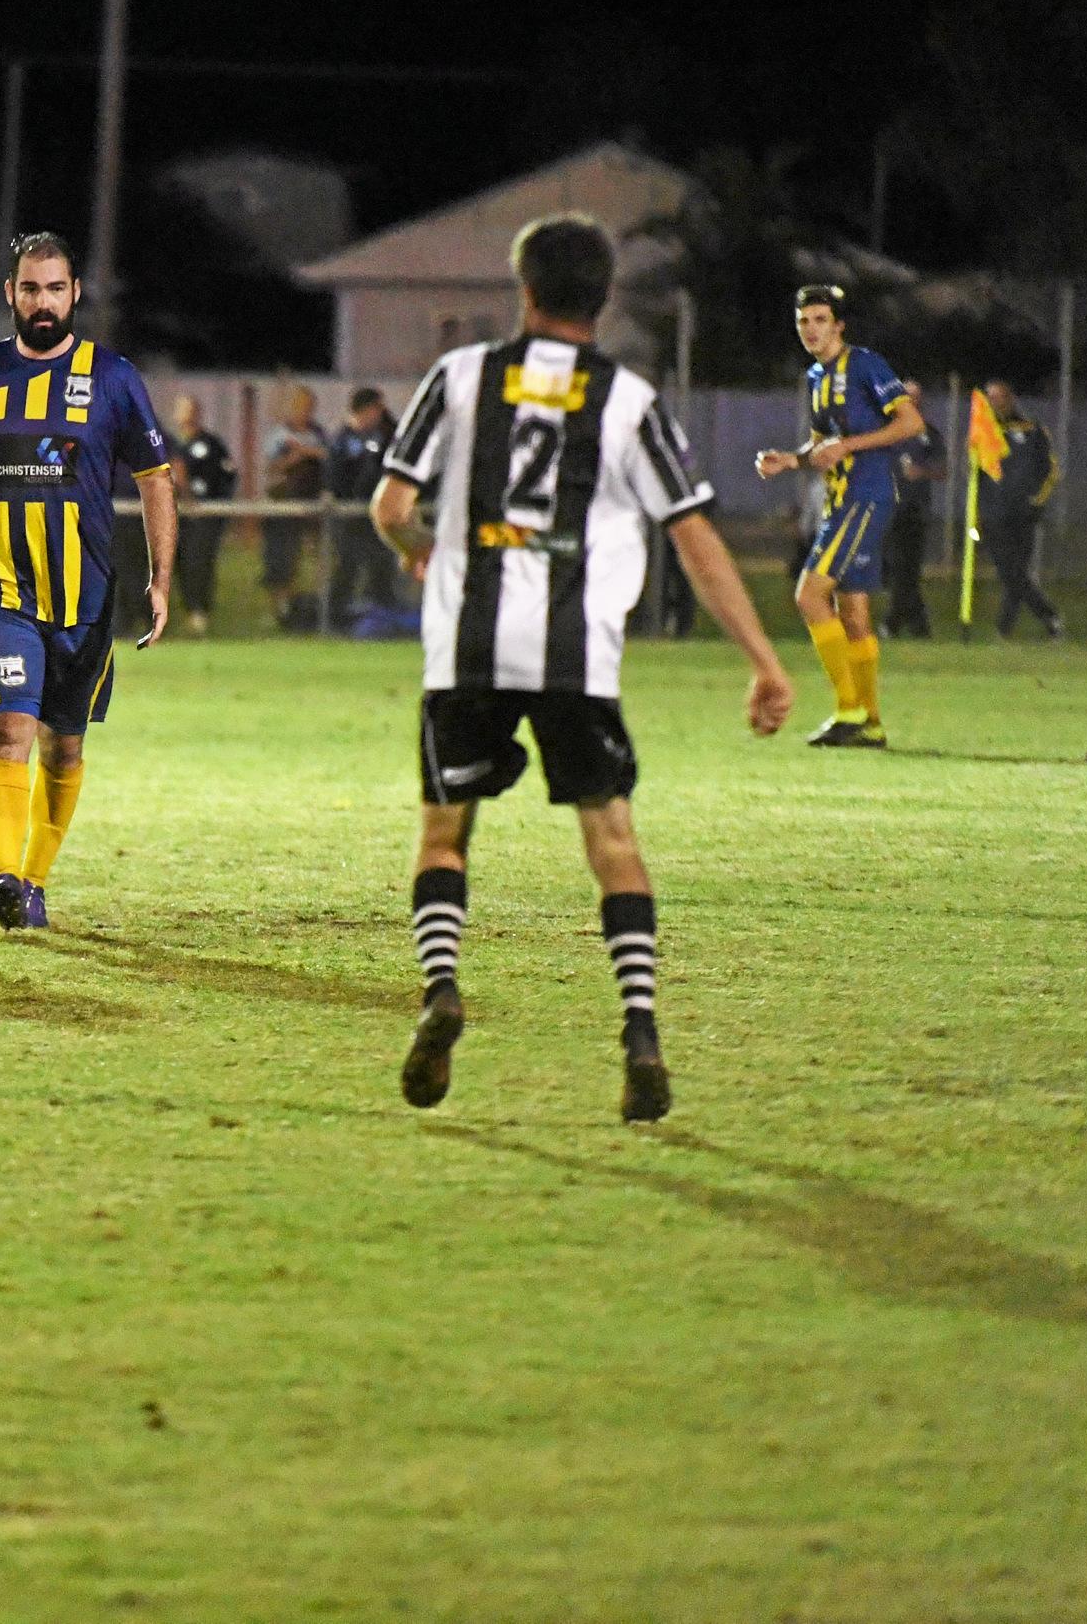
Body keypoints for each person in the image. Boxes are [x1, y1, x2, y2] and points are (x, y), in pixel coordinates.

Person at [371, 212, 794, 1124]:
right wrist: (763, 658)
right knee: (613, 841)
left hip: (469, 649)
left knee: (445, 833)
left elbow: (391, 503)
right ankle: (640, 1030)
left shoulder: (460, 377)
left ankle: (441, 987)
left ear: (523, 292)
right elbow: (694, 536)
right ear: (603, 302)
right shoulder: (630, 400)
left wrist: (419, 546)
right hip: (576, 657)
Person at [0, 230, 179, 932]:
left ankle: (29, 883)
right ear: (10, 294)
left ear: (74, 294)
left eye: (55, 288)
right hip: (0, 589)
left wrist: (161, 577)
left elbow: (156, 481)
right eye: (29, 288)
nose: (42, 301)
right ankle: (2, 871)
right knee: (9, 731)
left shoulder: (114, 377)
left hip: (86, 600)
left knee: (65, 745)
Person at [755, 284, 925, 747]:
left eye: (820, 320)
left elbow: (911, 423)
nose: (811, 329)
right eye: (803, 321)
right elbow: (821, 446)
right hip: (841, 500)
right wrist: (791, 459)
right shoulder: (815, 377)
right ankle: (870, 722)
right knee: (852, 612)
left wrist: (849, 445)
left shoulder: (866, 365)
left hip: (864, 498)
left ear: (839, 325)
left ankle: (848, 711)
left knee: (809, 596)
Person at [977, 380, 1062, 639]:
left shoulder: (1032, 430)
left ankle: (1005, 629)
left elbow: (1051, 470)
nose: (996, 403)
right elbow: (976, 478)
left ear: (1010, 399)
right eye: (990, 399)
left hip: (1024, 515)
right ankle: (1049, 616)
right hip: (993, 516)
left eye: (1000, 398)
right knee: (1011, 573)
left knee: (1016, 574)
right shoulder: (984, 435)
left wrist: (1036, 502)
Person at [326, 386, 403, 629]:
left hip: (376, 516)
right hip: (349, 518)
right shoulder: (343, 439)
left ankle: (385, 620)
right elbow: (335, 475)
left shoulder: (385, 435)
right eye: (377, 408)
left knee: (382, 566)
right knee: (347, 566)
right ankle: (335, 621)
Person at [260, 383, 329, 627]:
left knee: (316, 558)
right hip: (285, 504)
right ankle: (279, 610)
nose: (304, 411)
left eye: (309, 406)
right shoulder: (280, 435)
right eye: (300, 406)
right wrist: (296, 457)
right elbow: (271, 468)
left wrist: (309, 452)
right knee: (282, 558)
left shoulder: (318, 434)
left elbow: (328, 456)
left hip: (312, 506)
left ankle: (313, 610)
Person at [170, 393, 235, 637]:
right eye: (182, 410)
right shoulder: (168, 442)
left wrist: (216, 509)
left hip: (202, 517)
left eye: (192, 410)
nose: (187, 415)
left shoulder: (211, 444)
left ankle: (199, 614)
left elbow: (228, 476)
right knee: (174, 565)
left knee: (198, 563)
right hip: (173, 518)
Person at [884, 378, 943, 638]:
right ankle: (918, 626)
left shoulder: (928, 433)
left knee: (907, 568)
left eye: (914, 396)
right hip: (888, 507)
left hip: (914, 510)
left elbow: (943, 470)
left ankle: (893, 624)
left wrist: (922, 471)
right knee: (893, 570)